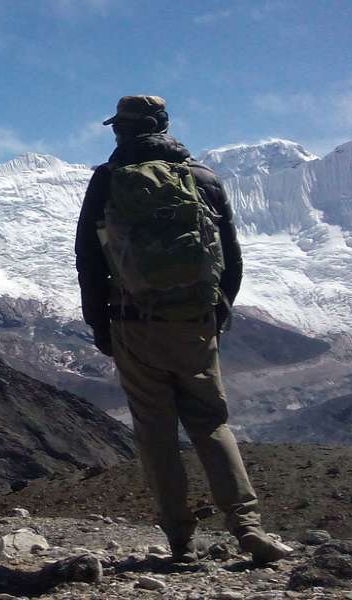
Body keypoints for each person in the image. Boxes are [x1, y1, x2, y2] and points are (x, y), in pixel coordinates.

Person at [74, 95, 291, 564]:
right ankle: (248, 528)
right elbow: (231, 260)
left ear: (122, 132)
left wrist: (101, 326)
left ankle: (179, 540)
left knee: (155, 432)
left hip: (134, 324)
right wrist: (215, 313)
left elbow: (89, 260)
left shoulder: (108, 181)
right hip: (194, 325)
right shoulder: (203, 178)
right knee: (211, 423)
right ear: (164, 126)